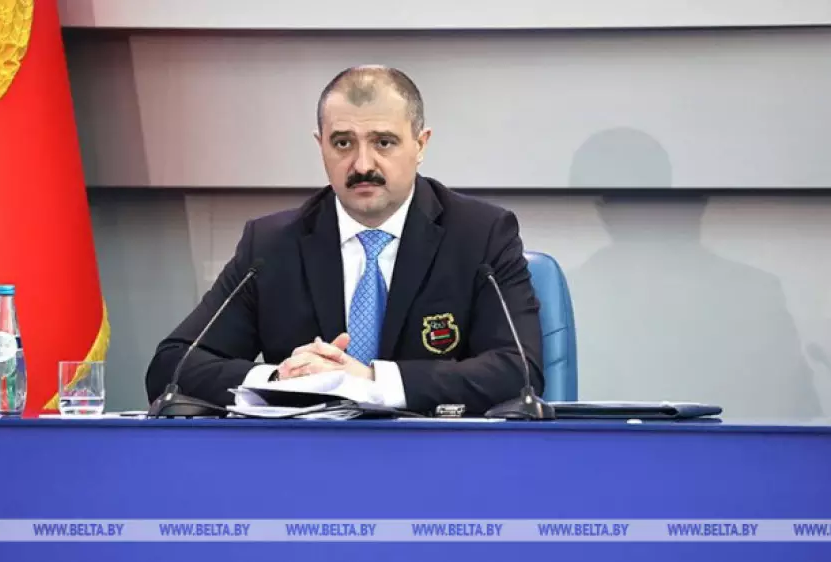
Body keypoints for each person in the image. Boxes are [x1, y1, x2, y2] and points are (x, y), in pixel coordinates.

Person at [144, 65, 542, 415]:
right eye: (343, 143)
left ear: (420, 144)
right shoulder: (270, 246)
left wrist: (370, 381)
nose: (362, 164)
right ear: (320, 145)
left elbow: (519, 372)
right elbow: (171, 367)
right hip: (307, 461)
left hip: (437, 460)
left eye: (383, 142)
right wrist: (281, 377)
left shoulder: (480, 235)